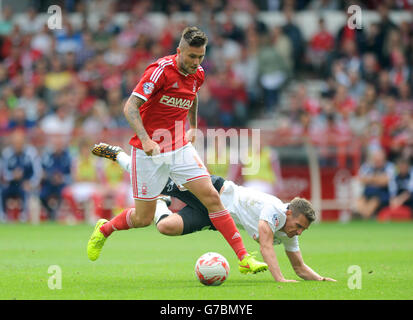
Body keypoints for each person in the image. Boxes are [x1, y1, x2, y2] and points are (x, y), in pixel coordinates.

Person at [87, 27, 267, 275]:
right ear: (179, 51)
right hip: (147, 149)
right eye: (191, 56)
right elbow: (130, 107)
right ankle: (104, 229)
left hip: (179, 147)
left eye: (201, 57)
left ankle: (244, 258)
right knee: (143, 218)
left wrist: (192, 126)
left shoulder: (198, 74)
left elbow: (192, 97)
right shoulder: (159, 71)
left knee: (212, 198)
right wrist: (145, 139)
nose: (196, 62)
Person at [91, 142, 337, 283]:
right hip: (214, 192)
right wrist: (280, 280)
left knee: (165, 227)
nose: (299, 232)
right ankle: (120, 155)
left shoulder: (290, 232)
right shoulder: (276, 210)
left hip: (214, 217)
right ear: (290, 211)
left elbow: (301, 268)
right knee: (154, 180)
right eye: (300, 225)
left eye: (303, 229)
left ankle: (160, 205)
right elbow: (266, 244)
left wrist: (321, 280)